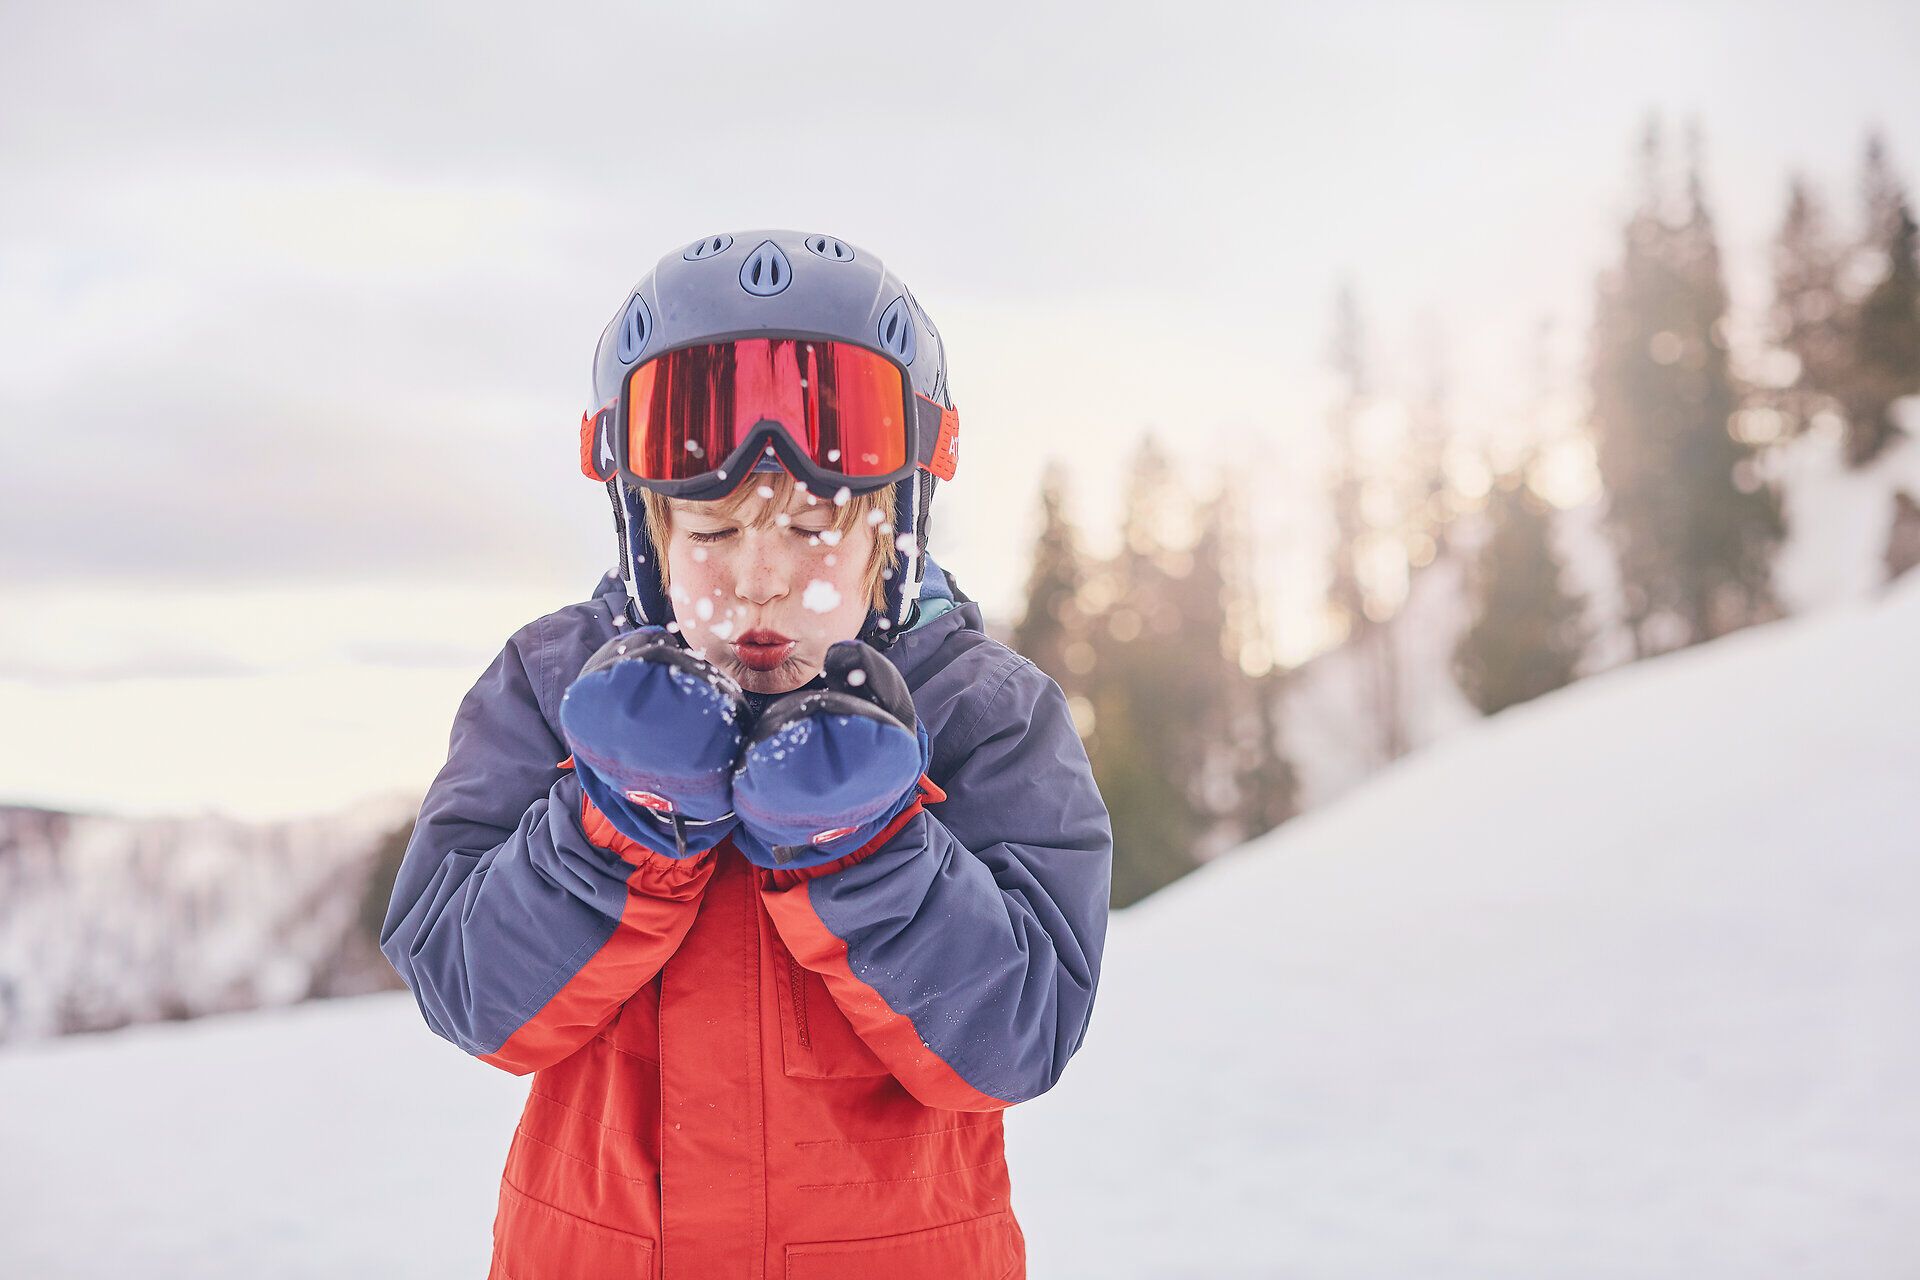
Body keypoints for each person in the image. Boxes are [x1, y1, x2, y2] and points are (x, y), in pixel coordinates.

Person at [381, 229, 1112, 1278]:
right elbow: (475, 999)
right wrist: (614, 821)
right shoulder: (553, 686)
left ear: (891, 532)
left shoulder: (985, 711)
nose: (759, 579)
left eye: (814, 526)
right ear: (646, 534)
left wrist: (866, 847)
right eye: (712, 534)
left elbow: (1017, 1038)